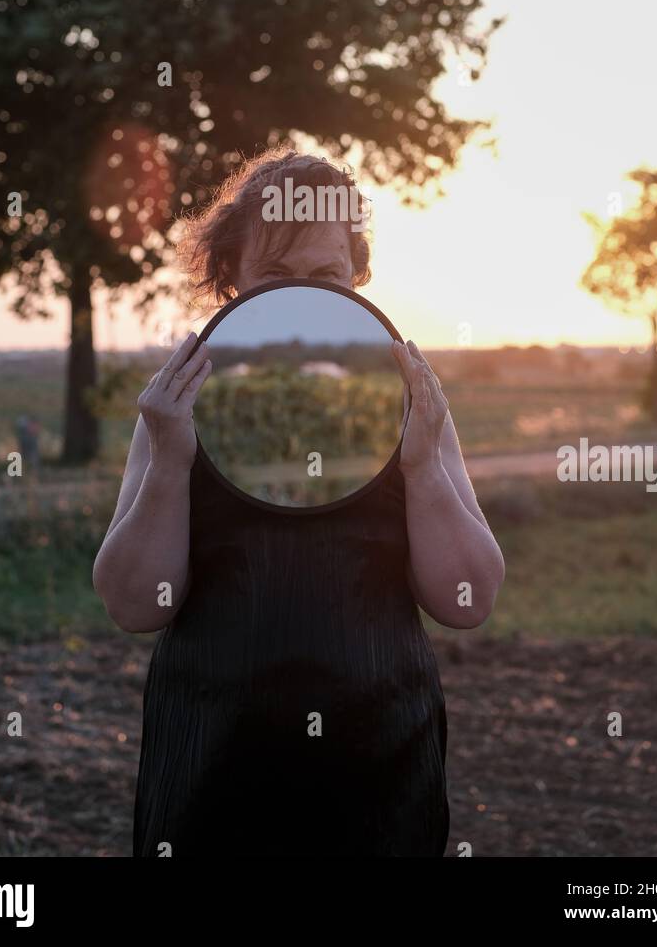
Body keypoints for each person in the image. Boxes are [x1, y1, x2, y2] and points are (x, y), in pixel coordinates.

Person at [93, 148, 505, 857]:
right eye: (274, 277)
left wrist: (424, 467)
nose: (302, 295)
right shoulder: (176, 406)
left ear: (357, 277)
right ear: (230, 279)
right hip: (211, 770)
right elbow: (135, 605)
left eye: (325, 276)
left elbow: (466, 601)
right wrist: (168, 461)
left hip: (380, 768)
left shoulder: (412, 400)